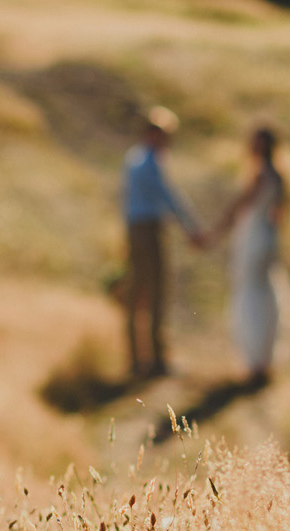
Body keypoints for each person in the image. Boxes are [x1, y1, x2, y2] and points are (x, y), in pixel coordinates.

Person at [121, 107, 205, 381]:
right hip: (149, 229)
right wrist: (191, 226)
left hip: (134, 229)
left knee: (138, 291)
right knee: (155, 290)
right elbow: (169, 196)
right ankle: (155, 359)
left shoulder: (133, 159)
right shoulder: (149, 161)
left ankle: (136, 359)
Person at [210, 126, 290, 387]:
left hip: (253, 238)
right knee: (265, 292)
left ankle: (255, 359)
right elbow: (281, 214)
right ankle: (265, 357)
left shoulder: (259, 175)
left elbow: (240, 205)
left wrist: (216, 232)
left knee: (251, 293)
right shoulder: (280, 176)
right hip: (268, 237)